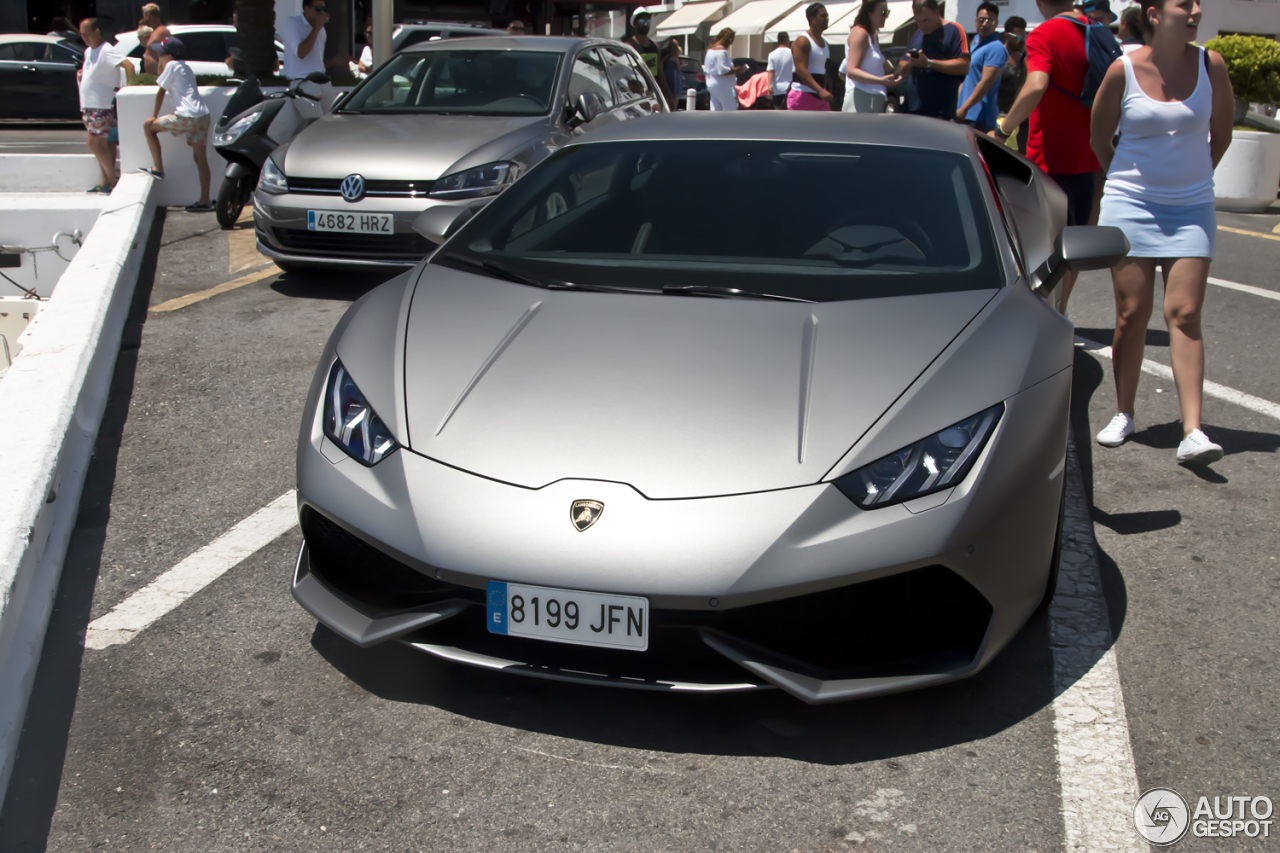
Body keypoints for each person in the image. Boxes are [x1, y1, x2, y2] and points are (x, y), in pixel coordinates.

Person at [1089, 0, 1233, 464]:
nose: (1195, 11)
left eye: (1197, 4)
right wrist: (1127, 187)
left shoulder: (1212, 65)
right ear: (1154, 13)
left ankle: (1193, 430)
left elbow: (1222, 133)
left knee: (1185, 311)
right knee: (1132, 313)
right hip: (1130, 205)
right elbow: (1099, 137)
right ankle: (1125, 412)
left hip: (1191, 207)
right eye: (1183, 4)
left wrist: (1191, 183)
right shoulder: (1122, 71)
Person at [989, 0, 1101, 314]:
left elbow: (1037, 84)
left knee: (1035, 251)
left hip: (1049, 159)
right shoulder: (1096, 30)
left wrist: (1003, 129)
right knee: (1072, 249)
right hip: (1088, 158)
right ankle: (1060, 311)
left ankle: (1042, 319)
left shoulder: (1045, 34)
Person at [138, 38, 213, 213]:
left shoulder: (171, 66)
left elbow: (160, 91)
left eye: (161, 52)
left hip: (186, 117)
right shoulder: (186, 67)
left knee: (148, 127)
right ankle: (205, 200)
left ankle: (158, 168)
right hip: (203, 116)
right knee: (200, 159)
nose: (158, 55)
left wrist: (153, 116)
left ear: (169, 55)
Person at [77, 18, 133, 194]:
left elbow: (128, 66)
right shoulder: (89, 51)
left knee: (94, 143)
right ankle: (105, 182)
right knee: (105, 145)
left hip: (101, 104)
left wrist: (128, 89)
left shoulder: (107, 50)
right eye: (82, 34)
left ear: (97, 31)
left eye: (87, 33)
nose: (84, 37)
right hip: (90, 104)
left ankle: (112, 179)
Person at [897, 0, 969, 120]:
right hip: (912, 109)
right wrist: (912, 63)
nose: (921, 25)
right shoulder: (918, 33)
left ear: (937, 11)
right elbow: (902, 67)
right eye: (917, 21)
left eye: (926, 20)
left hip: (940, 111)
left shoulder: (955, 30)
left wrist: (928, 63)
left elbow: (964, 65)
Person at [956, 19, 1022, 131]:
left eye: (1023, 37)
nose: (1021, 41)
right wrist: (962, 106)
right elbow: (969, 80)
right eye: (1019, 37)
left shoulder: (1020, 58)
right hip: (979, 114)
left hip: (1004, 116)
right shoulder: (984, 49)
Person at [842, 0, 899, 113]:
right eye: (883, 13)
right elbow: (851, 71)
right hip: (860, 98)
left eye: (887, 12)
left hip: (872, 98)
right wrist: (881, 80)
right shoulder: (860, 33)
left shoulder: (873, 36)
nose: (886, 16)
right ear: (870, 13)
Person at [623, 9, 678, 109]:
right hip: (636, 97)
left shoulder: (655, 47)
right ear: (635, 23)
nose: (645, 24)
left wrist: (669, 96)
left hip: (653, 95)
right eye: (641, 21)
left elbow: (660, 75)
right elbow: (626, 75)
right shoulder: (629, 46)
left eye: (648, 21)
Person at [789, 4, 833, 110]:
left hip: (820, 96)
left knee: (826, 126)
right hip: (802, 94)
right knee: (801, 127)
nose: (827, 19)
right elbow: (800, 70)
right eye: (823, 16)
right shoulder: (803, 41)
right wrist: (820, 90)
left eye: (827, 16)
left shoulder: (825, 43)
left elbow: (823, 69)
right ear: (812, 19)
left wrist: (824, 90)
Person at [705, 29, 745, 111]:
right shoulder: (722, 51)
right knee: (731, 110)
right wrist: (738, 69)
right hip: (722, 85)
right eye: (731, 40)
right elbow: (723, 70)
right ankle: (731, 124)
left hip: (711, 83)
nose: (731, 43)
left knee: (715, 110)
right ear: (728, 39)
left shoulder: (710, 50)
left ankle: (715, 124)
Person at [140, 3, 171, 75]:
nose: (143, 18)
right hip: (152, 76)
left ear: (147, 15)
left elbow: (166, 55)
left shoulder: (162, 32)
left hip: (159, 75)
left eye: (144, 15)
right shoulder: (155, 32)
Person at [766, 33, 794, 110]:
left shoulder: (772, 54)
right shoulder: (792, 53)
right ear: (785, 39)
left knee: (777, 112)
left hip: (777, 89)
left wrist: (769, 85)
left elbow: (771, 71)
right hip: (789, 88)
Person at [663, 39, 684, 107]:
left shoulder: (666, 56)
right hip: (674, 75)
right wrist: (682, 64)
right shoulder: (675, 57)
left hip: (666, 75)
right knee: (675, 93)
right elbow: (679, 68)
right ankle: (674, 107)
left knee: (668, 92)